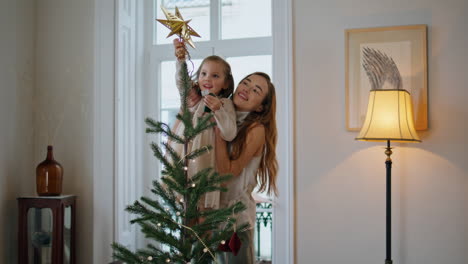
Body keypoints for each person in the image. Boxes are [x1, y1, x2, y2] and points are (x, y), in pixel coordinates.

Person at [215, 72, 278, 263]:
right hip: (209, 217)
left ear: (260, 107)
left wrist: (217, 131)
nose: (246, 89)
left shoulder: (255, 130)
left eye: (255, 90)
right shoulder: (226, 116)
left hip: (234, 223)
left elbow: (229, 172)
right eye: (245, 83)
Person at [171, 39, 237, 210]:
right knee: (187, 213)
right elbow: (182, 82)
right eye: (204, 74)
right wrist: (180, 60)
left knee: (204, 213)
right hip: (185, 159)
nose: (208, 79)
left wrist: (219, 111)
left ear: (226, 83)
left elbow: (229, 133)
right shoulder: (193, 98)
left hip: (206, 164)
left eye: (215, 76)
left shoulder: (225, 104)